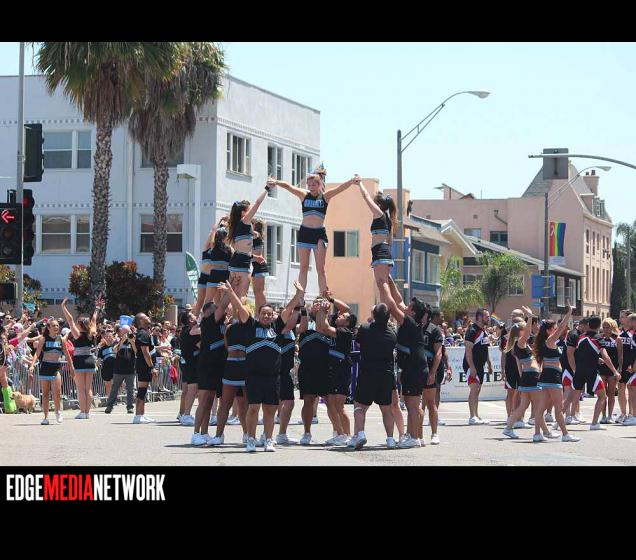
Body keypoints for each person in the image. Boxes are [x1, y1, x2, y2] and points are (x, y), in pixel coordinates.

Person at [225, 281, 304, 452]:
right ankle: (251, 440)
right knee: (253, 408)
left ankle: (268, 440)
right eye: (263, 313)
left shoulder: (277, 327)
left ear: (273, 316)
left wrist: (298, 294)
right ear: (258, 314)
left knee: (270, 410)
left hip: (273, 377)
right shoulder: (251, 326)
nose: (266, 316)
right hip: (253, 376)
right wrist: (231, 292)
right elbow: (240, 308)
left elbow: (288, 309)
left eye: (269, 314)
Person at [268, 166, 358, 296]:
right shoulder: (304, 195)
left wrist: (352, 181)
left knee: (320, 269)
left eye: (313, 185)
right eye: (309, 185)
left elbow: (340, 189)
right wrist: (276, 182)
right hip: (305, 233)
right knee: (303, 267)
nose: (311, 187)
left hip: (319, 234)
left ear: (319, 184)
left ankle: (323, 296)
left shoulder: (325, 197)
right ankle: (300, 297)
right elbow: (289, 187)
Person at [348, 304, 398, 450]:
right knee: (386, 409)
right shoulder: (392, 333)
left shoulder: (365, 328)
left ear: (374, 315)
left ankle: (360, 434)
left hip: (368, 373)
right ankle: (390, 439)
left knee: (359, 406)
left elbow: (358, 343)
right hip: (386, 374)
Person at [562, 315, 621, 430]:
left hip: (579, 371)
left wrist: (594, 359)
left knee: (570, 397)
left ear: (588, 325)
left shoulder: (580, 337)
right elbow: (605, 355)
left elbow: (583, 352)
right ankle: (594, 423)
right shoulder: (598, 338)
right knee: (602, 396)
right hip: (591, 372)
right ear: (599, 326)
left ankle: (558, 421)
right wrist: (615, 371)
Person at [532, 303, 579, 442]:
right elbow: (562, 327)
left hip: (547, 377)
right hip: (553, 377)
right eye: (553, 328)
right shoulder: (550, 340)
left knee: (540, 408)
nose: (556, 330)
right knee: (558, 408)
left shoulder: (544, 341)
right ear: (548, 330)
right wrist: (569, 312)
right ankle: (565, 434)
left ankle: (537, 434)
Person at [502, 319, 555, 441]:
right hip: (531, 377)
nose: (528, 330)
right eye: (525, 329)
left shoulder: (520, 345)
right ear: (521, 331)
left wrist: (523, 379)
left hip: (528, 377)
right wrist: (530, 317)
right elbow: (527, 333)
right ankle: (539, 434)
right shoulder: (520, 343)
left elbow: (519, 367)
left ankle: (509, 428)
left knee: (524, 406)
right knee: (538, 407)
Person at [190, 293, 232, 446]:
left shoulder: (221, 323)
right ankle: (195, 433)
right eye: (215, 308)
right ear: (208, 312)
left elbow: (226, 307)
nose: (219, 310)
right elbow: (223, 304)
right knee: (203, 401)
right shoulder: (208, 321)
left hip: (218, 366)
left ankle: (204, 432)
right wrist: (231, 288)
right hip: (206, 366)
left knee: (209, 402)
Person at [315, 296, 357, 446]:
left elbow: (325, 327)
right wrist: (328, 301)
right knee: (330, 402)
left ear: (347, 323)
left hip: (342, 370)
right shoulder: (336, 326)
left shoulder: (345, 331)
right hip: (332, 369)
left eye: (342, 316)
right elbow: (320, 327)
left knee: (339, 405)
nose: (339, 315)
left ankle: (348, 435)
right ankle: (339, 433)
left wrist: (323, 310)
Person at [357, 179, 398, 308]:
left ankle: (390, 309)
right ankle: (384, 310)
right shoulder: (389, 220)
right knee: (381, 285)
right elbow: (390, 242)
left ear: (379, 205)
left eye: (375, 203)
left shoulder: (378, 213)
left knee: (382, 284)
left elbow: (366, 196)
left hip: (380, 252)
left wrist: (359, 184)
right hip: (383, 253)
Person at [297, 298, 333, 445]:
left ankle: (338, 432)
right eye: (316, 304)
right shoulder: (305, 322)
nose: (318, 306)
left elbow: (322, 327)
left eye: (321, 304)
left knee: (330, 401)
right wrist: (303, 308)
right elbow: (302, 327)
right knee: (308, 400)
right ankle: (307, 433)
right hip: (307, 368)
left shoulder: (328, 324)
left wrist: (325, 310)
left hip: (325, 368)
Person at [61, 297, 101, 419]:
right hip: (89, 360)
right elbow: (94, 320)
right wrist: (97, 308)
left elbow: (70, 319)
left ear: (80, 325)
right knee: (88, 388)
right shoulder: (91, 333)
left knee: (80, 388)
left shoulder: (77, 334)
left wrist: (63, 306)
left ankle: (83, 412)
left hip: (79, 361)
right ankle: (87, 412)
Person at [227, 186, 269, 300]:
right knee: (242, 296)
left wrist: (255, 256)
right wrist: (267, 189)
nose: (251, 212)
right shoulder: (245, 221)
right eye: (249, 210)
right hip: (242, 263)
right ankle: (237, 313)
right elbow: (258, 202)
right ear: (243, 213)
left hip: (235, 262)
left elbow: (241, 247)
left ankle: (226, 312)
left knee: (233, 296)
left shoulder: (237, 226)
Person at [28, 319, 74, 425]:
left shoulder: (61, 339)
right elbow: (37, 353)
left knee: (57, 392)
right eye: (53, 326)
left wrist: (72, 367)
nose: (56, 327)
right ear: (48, 328)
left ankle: (57, 411)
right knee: (45, 394)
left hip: (56, 367)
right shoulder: (43, 338)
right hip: (45, 367)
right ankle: (45, 417)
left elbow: (67, 354)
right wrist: (32, 365)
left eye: (57, 325)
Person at [193, 216, 229, 316]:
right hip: (205, 276)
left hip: (215, 275)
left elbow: (226, 238)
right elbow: (213, 232)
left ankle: (217, 318)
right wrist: (219, 222)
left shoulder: (222, 249)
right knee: (200, 300)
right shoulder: (207, 248)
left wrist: (226, 225)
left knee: (217, 302)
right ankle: (196, 319)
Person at [463, 308, 493, 425]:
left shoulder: (484, 331)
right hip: (471, 365)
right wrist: (472, 367)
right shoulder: (472, 331)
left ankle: (476, 415)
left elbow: (485, 349)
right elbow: (468, 350)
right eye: (486, 316)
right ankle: (472, 417)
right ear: (479, 317)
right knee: (474, 388)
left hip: (481, 365)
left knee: (478, 390)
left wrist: (489, 364)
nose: (488, 318)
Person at [132, 312, 158, 424]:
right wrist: (152, 367)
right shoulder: (142, 334)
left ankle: (141, 414)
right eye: (146, 317)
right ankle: (138, 416)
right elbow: (145, 353)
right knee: (142, 390)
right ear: (141, 321)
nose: (148, 317)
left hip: (144, 365)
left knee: (144, 390)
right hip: (144, 365)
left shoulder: (144, 333)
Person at [104, 324, 136, 414]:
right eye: (124, 332)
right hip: (118, 370)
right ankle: (109, 406)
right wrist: (122, 341)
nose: (126, 334)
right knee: (114, 388)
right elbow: (114, 350)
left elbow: (137, 351)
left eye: (127, 332)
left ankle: (130, 407)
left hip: (130, 369)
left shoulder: (133, 340)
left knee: (130, 389)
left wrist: (132, 342)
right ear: (121, 332)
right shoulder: (117, 341)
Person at [176, 311, 200, 426]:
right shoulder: (189, 331)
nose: (196, 316)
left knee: (189, 389)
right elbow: (200, 344)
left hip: (189, 363)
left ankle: (184, 414)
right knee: (192, 389)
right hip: (190, 364)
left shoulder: (187, 331)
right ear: (190, 320)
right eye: (193, 315)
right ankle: (186, 415)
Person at [564, 317, 588, 423]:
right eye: (587, 327)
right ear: (582, 325)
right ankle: (568, 415)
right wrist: (574, 369)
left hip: (577, 367)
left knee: (577, 391)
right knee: (568, 391)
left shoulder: (582, 335)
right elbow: (570, 354)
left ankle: (576, 414)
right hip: (568, 367)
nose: (588, 329)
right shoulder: (573, 335)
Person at [598, 318, 622, 423]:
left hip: (613, 370)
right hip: (601, 369)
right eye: (604, 327)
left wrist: (620, 368)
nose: (605, 329)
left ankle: (610, 416)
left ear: (612, 328)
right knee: (602, 394)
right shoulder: (600, 338)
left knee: (611, 394)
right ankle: (603, 416)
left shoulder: (617, 339)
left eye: (608, 327)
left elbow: (620, 355)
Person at [617, 311, 635, 423]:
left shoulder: (633, 333)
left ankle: (631, 413)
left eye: (623, 317)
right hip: (622, 366)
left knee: (631, 388)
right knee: (621, 388)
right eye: (620, 317)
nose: (621, 319)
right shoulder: (619, 333)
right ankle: (623, 413)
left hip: (631, 365)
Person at [250, 218, 269, 313]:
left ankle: (268, 310)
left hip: (260, 266)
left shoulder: (257, 235)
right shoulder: (252, 238)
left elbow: (250, 231)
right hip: (256, 266)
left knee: (260, 292)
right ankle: (258, 314)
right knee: (256, 293)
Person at [96, 326, 116, 403]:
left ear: (113, 337)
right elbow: (99, 360)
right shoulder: (102, 349)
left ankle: (116, 399)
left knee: (117, 384)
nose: (108, 338)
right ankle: (110, 400)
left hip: (116, 368)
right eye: (106, 336)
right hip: (106, 369)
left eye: (110, 336)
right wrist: (96, 365)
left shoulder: (116, 346)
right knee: (108, 385)